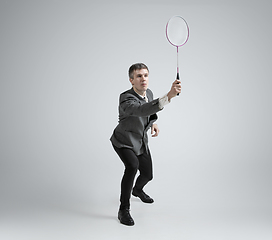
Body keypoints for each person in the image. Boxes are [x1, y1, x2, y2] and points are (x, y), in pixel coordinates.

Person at [110, 63, 181, 226]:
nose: (143, 79)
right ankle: (123, 210)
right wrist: (168, 96)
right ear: (131, 80)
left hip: (141, 141)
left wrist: (153, 123)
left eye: (146, 75)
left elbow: (148, 111)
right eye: (139, 76)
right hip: (124, 141)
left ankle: (137, 190)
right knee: (132, 166)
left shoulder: (148, 92)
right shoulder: (125, 98)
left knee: (148, 175)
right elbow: (140, 110)